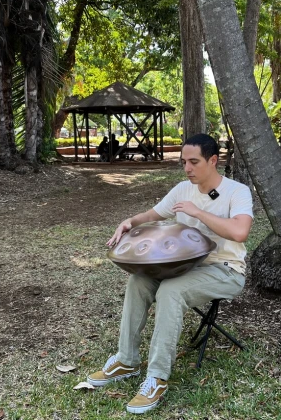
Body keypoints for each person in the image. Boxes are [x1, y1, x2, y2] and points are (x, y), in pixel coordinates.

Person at [88, 133, 254, 414]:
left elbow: (240, 232)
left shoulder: (237, 191)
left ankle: (157, 377)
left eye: (194, 162)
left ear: (212, 161)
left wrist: (198, 212)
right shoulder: (181, 190)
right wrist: (128, 222)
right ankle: (126, 360)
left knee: (171, 290)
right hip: (187, 266)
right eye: (183, 162)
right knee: (139, 280)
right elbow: (152, 215)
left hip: (225, 270)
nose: (187, 168)